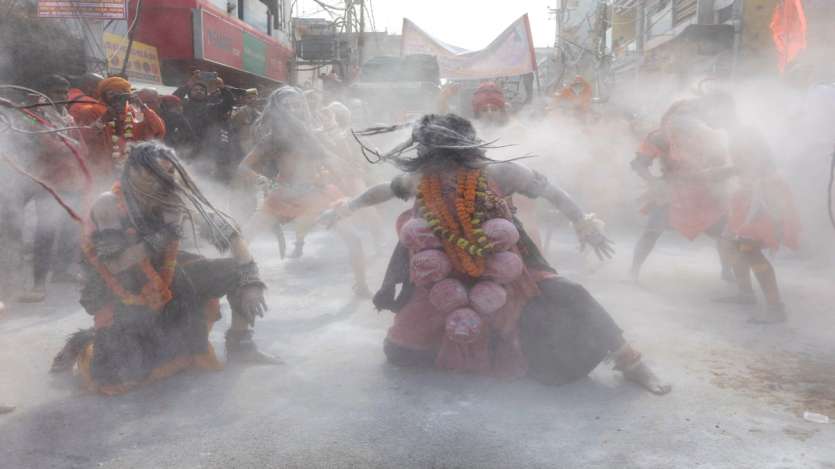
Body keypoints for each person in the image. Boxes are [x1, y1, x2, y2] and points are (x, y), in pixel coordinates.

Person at [320, 114, 671, 395]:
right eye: (435, 159)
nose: (445, 172)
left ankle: (631, 363)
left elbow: (551, 190)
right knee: (401, 354)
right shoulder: (421, 180)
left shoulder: (500, 172)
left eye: (448, 158)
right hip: (443, 276)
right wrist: (343, 209)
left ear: (463, 150)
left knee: (571, 294)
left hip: (507, 266)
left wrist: (583, 222)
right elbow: (379, 191)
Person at [49, 141, 278, 395]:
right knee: (117, 376)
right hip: (120, 286)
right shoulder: (109, 204)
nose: (162, 179)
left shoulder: (174, 194)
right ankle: (84, 341)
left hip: (169, 272)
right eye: (154, 172)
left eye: (169, 172)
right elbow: (115, 264)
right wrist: (160, 237)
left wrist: (251, 279)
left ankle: (241, 344)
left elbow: (228, 234)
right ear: (133, 171)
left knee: (238, 272)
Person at [241, 86, 371, 296]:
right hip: (282, 196)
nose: (294, 109)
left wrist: (345, 170)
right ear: (277, 110)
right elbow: (244, 167)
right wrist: (265, 182)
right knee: (242, 238)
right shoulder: (273, 139)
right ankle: (233, 284)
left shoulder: (314, 135)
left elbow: (331, 159)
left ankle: (362, 285)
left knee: (354, 238)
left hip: (316, 195)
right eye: (287, 106)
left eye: (297, 105)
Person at [702, 93, 801, 323]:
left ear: (722, 110)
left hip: (762, 194)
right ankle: (745, 293)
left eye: (709, 111)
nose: (706, 118)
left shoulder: (743, 133)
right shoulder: (737, 133)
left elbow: (752, 166)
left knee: (750, 249)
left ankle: (776, 309)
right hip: (751, 192)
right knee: (732, 243)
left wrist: (720, 173)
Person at [629, 99, 734, 281]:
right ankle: (634, 271)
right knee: (652, 231)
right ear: (671, 116)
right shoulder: (660, 137)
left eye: (689, 113)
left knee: (723, 233)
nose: (684, 118)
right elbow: (639, 164)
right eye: (680, 113)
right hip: (671, 192)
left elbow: (721, 165)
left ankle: (727, 272)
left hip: (703, 192)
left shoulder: (710, 136)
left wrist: (719, 180)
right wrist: (654, 182)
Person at [6, 75, 88, 302]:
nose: (61, 97)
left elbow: (82, 147)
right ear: (44, 96)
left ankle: (61, 271)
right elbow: (46, 146)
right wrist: (69, 146)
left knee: (70, 228)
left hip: (70, 181)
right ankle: (38, 283)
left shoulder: (68, 117)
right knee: (46, 231)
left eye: (64, 92)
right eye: (56, 93)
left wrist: (70, 145)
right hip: (45, 183)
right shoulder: (34, 118)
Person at [72, 77, 166, 187]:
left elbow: (158, 130)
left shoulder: (135, 112)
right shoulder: (92, 110)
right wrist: (102, 120)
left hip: (130, 170)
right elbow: (82, 138)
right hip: (102, 171)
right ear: (103, 95)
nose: (117, 98)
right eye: (112, 94)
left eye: (122, 94)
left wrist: (142, 106)